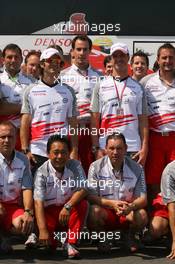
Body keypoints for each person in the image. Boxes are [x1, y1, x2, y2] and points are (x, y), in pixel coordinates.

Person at [20, 47, 78, 174]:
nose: (54, 63)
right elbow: (25, 122)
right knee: (38, 191)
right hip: (38, 152)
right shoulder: (30, 90)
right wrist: (25, 150)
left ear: (61, 65)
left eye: (57, 60)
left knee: (63, 192)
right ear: (42, 64)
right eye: (50, 60)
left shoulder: (69, 91)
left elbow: (73, 123)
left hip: (61, 152)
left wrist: (74, 151)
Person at [87, 132, 147, 252]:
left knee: (142, 215)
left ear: (126, 149)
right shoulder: (95, 166)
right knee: (93, 211)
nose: (115, 152)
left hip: (127, 211)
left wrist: (130, 207)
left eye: (119, 148)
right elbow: (91, 196)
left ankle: (128, 236)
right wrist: (112, 204)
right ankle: (103, 238)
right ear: (106, 149)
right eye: (112, 148)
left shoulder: (137, 168)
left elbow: (143, 199)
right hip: (106, 211)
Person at [90, 42, 148, 166]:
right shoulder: (100, 86)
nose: (119, 59)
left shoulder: (138, 88)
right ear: (111, 58)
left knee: (132, 185)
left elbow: (143, 121)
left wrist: (144, 148)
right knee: (107, 185)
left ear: (128, 58)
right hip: (106, 148)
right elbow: (94, 120)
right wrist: (96, 147)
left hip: (132, 148)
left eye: (122, 55)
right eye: (115, 56)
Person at [34, 134, 88, 258]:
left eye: (64, 152)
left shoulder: (75, 165)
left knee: (83, 204)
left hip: (67, 211)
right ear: (48, 153)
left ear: (69, 153)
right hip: (49, 213)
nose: (59, 157)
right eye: (56, 152)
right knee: (49, 246)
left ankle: (71, 243)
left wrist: (68, 206)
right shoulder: (41, 172)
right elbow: (38, 203)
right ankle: (54, 240)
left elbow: (84, 188)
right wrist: (42, 230)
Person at [61, 35, 102, 175]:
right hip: (72, 129)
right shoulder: (62, 76)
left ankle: (91, 197)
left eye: (85, 49)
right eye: (78, 49)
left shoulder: (100, 76)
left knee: (92, 169)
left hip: (92, 130)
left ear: (90, 51)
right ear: (72, 51)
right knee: (69, 169)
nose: (81, 53)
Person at [141, 43, 175, 201]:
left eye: (171, 58)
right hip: (155, 137)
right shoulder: (146, 82)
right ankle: (153, 219)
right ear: (158, 60)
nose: (168, 61)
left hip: (174, 139)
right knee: (153, 181)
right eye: (164, 58)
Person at [0, 121, 33, 252]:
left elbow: (27, 188)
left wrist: (27, 212)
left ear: (16, 138)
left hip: (13, 206)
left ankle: (5, 235)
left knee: (23, 225)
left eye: (10, 137)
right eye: (2, 137)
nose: (7, 140)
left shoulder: (23, 159)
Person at [161, 160, 175, 259]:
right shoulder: (170, 170)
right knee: (156, 228)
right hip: (170, 205)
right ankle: (170, 236)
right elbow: (172, 208)